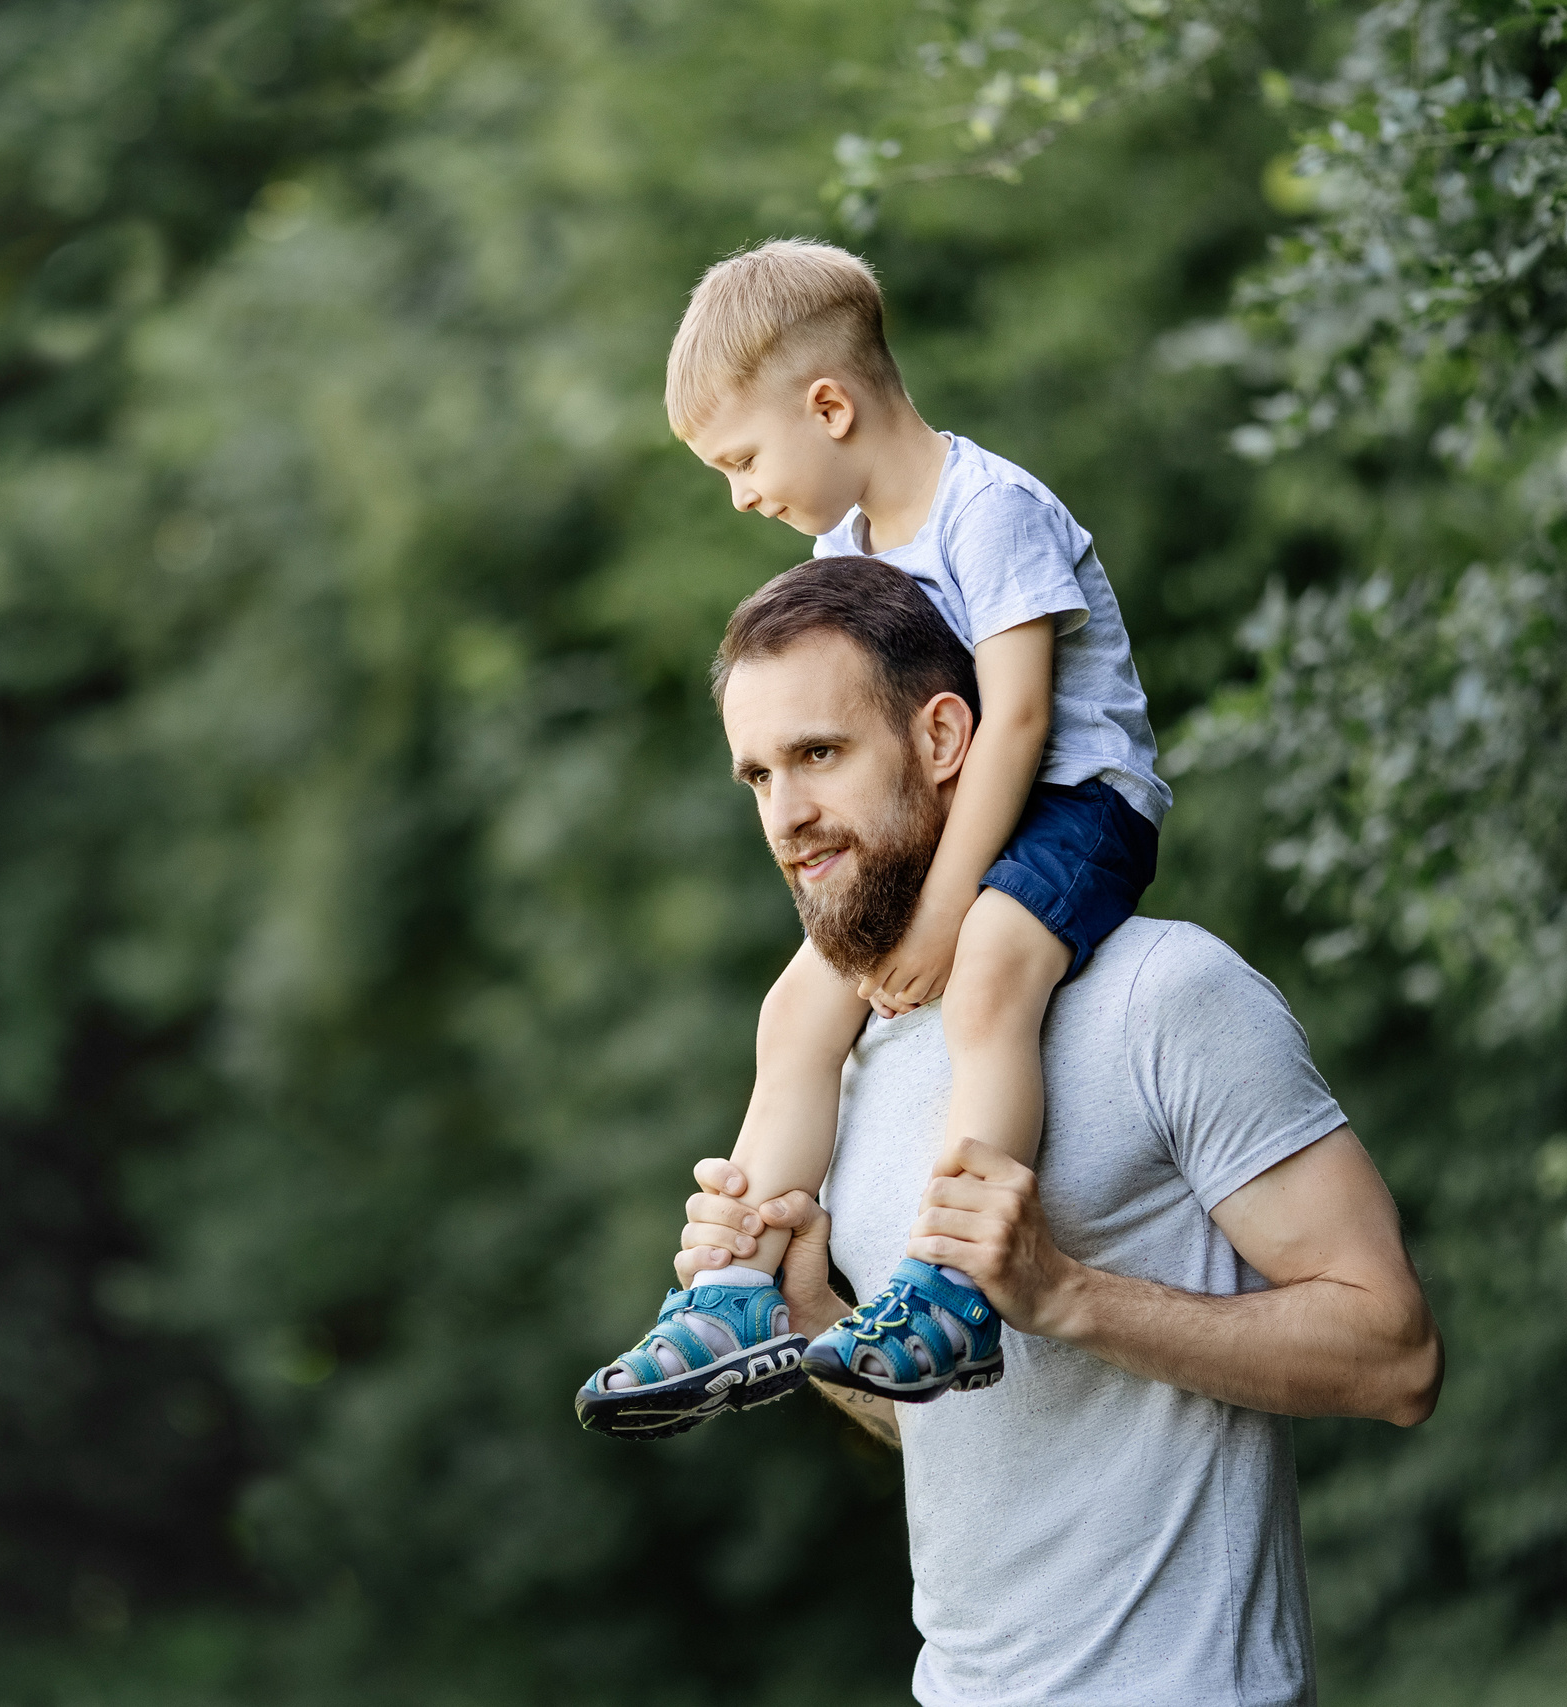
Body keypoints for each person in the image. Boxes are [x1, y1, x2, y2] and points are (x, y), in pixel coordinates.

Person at [680, 557, 1443, 1701]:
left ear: (945, 738)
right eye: (757, 775)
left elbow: (1397, 1358)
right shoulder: (847, 1062)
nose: (786, 816)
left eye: (819, 755)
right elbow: (966, 1430)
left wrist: (1065, 1295)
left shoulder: (1165, 994)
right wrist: (813, 1323)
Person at [579, 238, 1170, 1434]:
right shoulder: (842, 554)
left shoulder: (989, 511)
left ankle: (953, 1284)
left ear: (828, 406)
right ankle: (737, 1286)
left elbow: (1017, 724)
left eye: (742, 460)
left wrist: (944, 911)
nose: (740, 494)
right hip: (954, 820)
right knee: (796, 1006)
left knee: (988, 975)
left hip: (1076, 805)